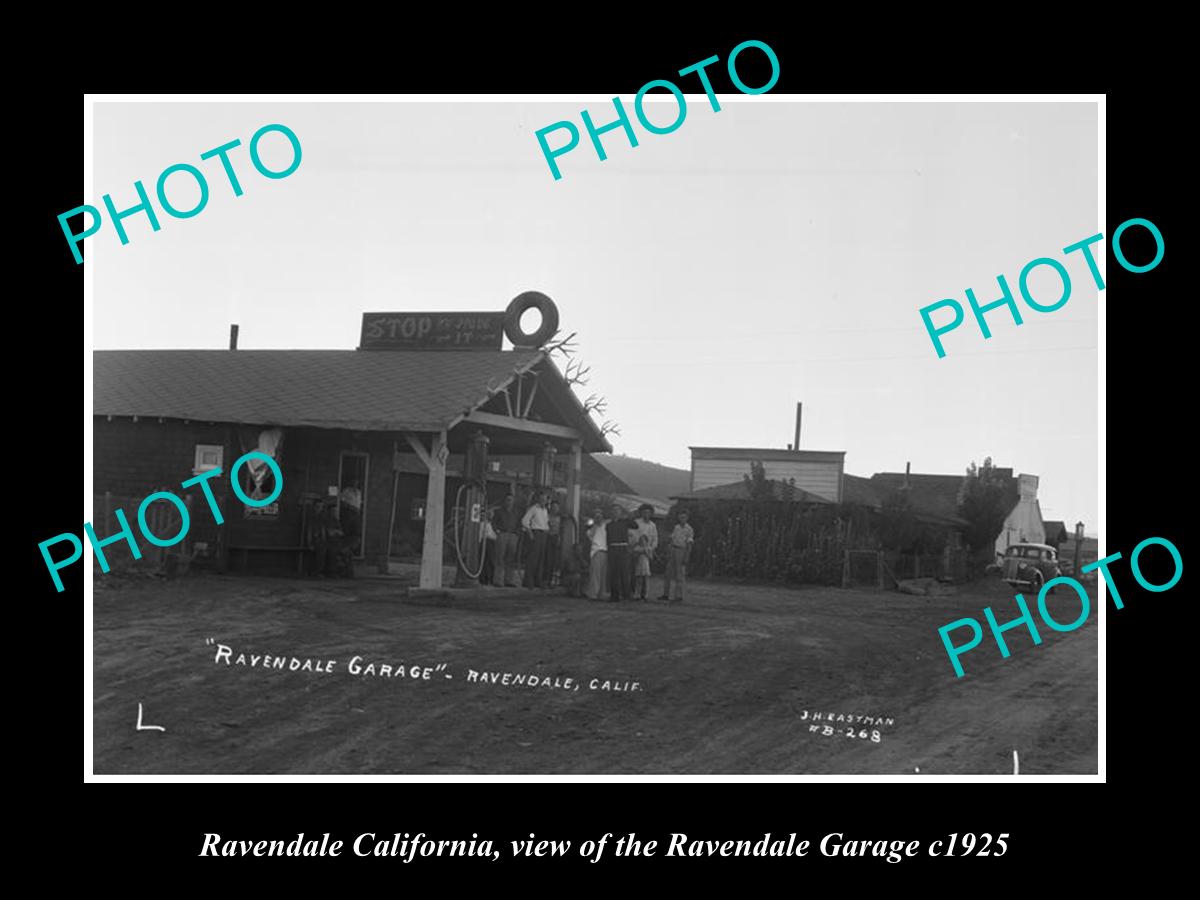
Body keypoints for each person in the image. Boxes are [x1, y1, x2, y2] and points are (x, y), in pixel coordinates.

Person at [660, 510, 695, 603]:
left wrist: (687, 556)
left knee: (679, 574)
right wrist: (669, 550)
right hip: (674, 549)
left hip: (682, 550)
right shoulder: (676, 527)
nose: (682, 519)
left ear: (687, 518)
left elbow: (689, 544)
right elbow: (672, 539)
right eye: (680, 517)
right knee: (668, 573)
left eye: (684, 517)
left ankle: (678, 596)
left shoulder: (689, 529)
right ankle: (665, 594)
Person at [605, 505, 637, 601]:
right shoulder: (609, 525)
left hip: (623, 548)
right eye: (614, 511)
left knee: (624, 572)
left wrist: (628, 517)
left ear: (620, 513)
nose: (615, 512)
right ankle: (614, 595)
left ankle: (626, 595)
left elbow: (635, 525)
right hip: (612, 548)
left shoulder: (625, 522)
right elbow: (608, 538)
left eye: (617, 511)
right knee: (613, 573)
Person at [629, 504, 659, 601]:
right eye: (644, 512)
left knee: (645, 573)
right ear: (641, 513)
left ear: (651, 514)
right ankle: (636, 593)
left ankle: (644, 593)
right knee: (638, 573)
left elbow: (655, 539)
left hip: (647, 551)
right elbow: (632, 536)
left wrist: (650, 548)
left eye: (648, 512)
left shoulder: (652, 525)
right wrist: (639, 543)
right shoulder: (636, 523)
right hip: (637, 550)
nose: (646, 514)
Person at [521, 491, 551, 588]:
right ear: (538, 499)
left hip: (544, 534)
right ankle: (528, 581)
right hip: (536, 533)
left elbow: (545, 523)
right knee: (533, 558)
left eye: (545, 499)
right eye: (541, 499)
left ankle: (538, 581)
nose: (543, 501)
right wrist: (530, 533)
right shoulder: (534, 508)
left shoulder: (545, 510)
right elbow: (524, 521)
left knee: (541, 559)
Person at [493, 494, 522, 587]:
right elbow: (494, 522)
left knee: (511, 558)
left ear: (514, 501)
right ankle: (498, 580)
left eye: (511, 500)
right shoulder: (499, 511)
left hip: (513, 535)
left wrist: (517, 533)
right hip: (502, 534)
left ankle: (509, 580)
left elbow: (519, 523)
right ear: (505, 501)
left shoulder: (516, 512)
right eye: (507, 500)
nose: (509, 502)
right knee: (500, 557)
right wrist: (497, 531)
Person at [585, 508, 609, 601]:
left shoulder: (606, 526)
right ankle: (593, 594)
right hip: (597, 551)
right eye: (596, 516)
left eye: (600, 516)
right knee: (595, 574)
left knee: (603, 574)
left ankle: (601, 594)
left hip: (605, 551)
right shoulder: (592, 528)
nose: (598, 518)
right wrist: (594, 524)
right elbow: (590, 535)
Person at [543, 499, 563, 587]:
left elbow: (561, 530)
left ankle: (552, 580)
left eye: (556, 507)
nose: (555, 509)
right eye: (553, 507)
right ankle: (545, 579)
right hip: (548, 537)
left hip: (556, 537)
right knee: (547, 559)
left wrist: (559, 537)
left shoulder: (560, 518)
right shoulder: (547, 516)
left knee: (555, 560)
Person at [480, 508, 497, 585]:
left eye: (484, 515)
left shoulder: (489, 524)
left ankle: (490, 579)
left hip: (490, 543)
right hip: (484, 542)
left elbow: (493, 535)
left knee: (490, 562)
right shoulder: (481, 524)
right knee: (484, 562)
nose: (483, 516)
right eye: (482, 515)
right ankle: (484, 579)